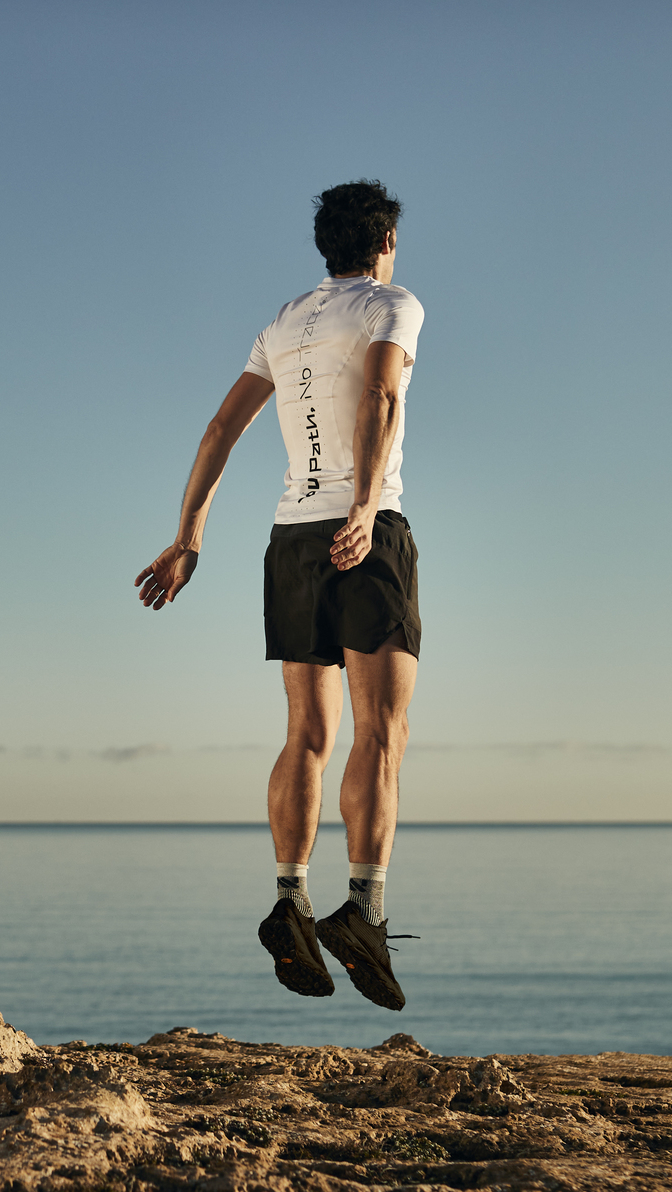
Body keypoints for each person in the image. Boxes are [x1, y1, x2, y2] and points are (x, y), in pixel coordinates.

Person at [135, 180, 423, 1011]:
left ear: (324, 245)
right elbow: (380, 391)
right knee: (382, 730)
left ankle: (291, 897)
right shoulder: (392, 304)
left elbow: (219, 430)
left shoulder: (284, 322)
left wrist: (189, 536)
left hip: (290, 539)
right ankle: (363, 908)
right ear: (387, 240)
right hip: (362, 535)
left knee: (306, 733)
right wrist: (367, 509)